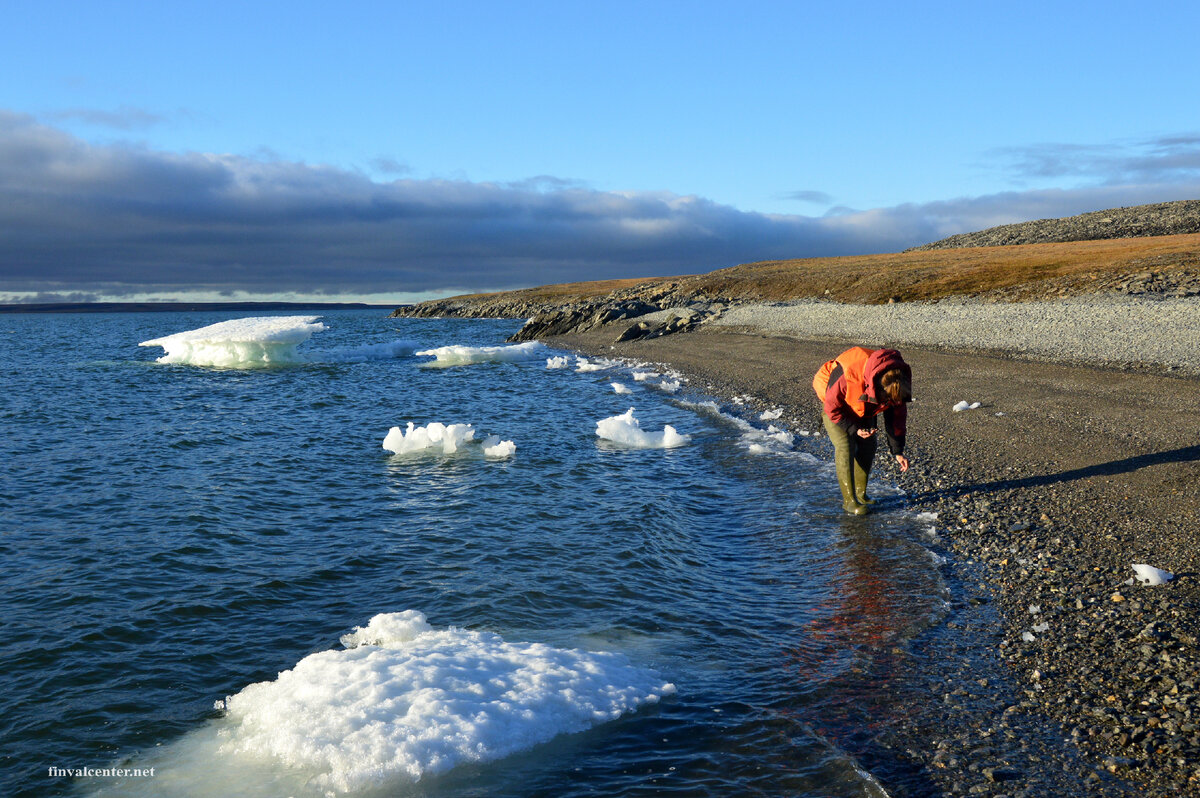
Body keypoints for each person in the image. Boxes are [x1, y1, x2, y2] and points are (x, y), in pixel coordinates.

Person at [812, 346, 912, 515]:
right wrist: (854, 428)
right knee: (846, 446)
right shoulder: (848, 374)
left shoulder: (898, 383)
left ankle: (861, 494)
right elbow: (832, 408)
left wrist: (898, 451)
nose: (889, 402)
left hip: (863, 402)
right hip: (836, 405)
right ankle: (849, 502)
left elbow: (896, 417)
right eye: (886, 399)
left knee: (868, 445)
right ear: (879, 389)